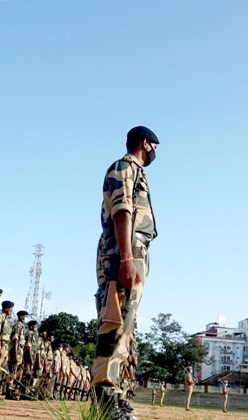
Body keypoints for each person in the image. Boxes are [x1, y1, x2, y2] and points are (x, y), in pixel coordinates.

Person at [92, 126, 159, 417]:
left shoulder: (138, 173)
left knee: (125, 330)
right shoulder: (124, 167)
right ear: (146, 143)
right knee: (114, 324)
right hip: (123, 251)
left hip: (135, 249)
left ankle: (117, 400)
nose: (156, 152)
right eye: (156, 146)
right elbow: (123, 211)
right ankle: (105, 403)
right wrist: (127, 258)